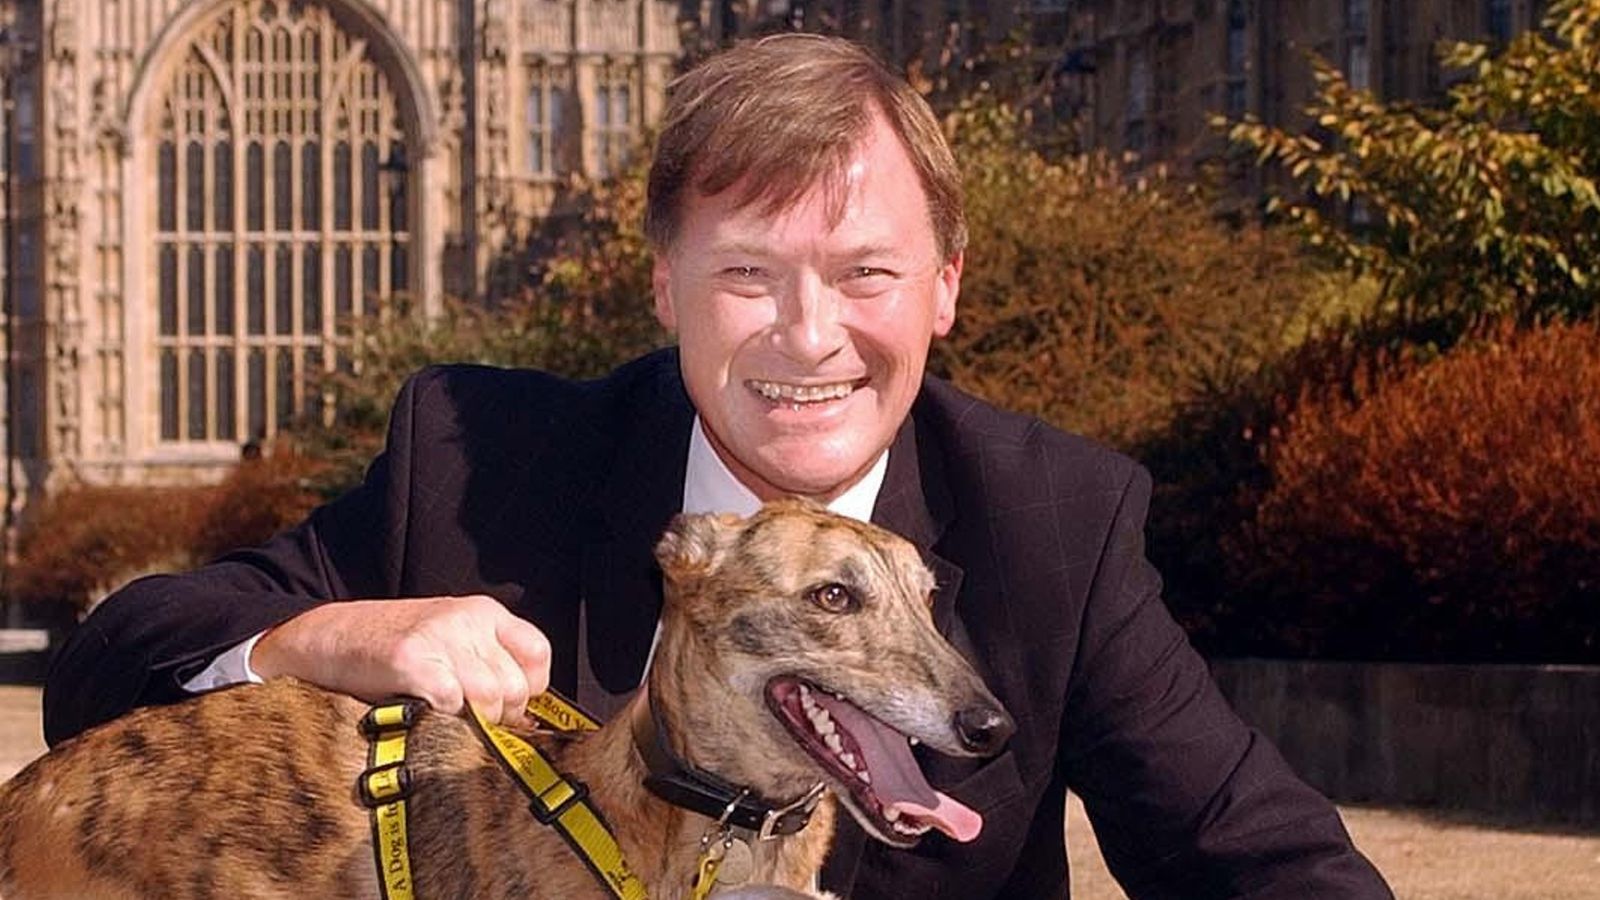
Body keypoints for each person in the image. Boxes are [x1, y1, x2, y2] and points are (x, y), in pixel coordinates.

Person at [43, 34, 1392, 899]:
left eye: (865, 271)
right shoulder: (478, 462)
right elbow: (112, 663)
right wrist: (339, 633)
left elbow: (1254, 856)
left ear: (945, 289)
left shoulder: (1056, 520)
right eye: (747, 276)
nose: (809, 335)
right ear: (663, 288)